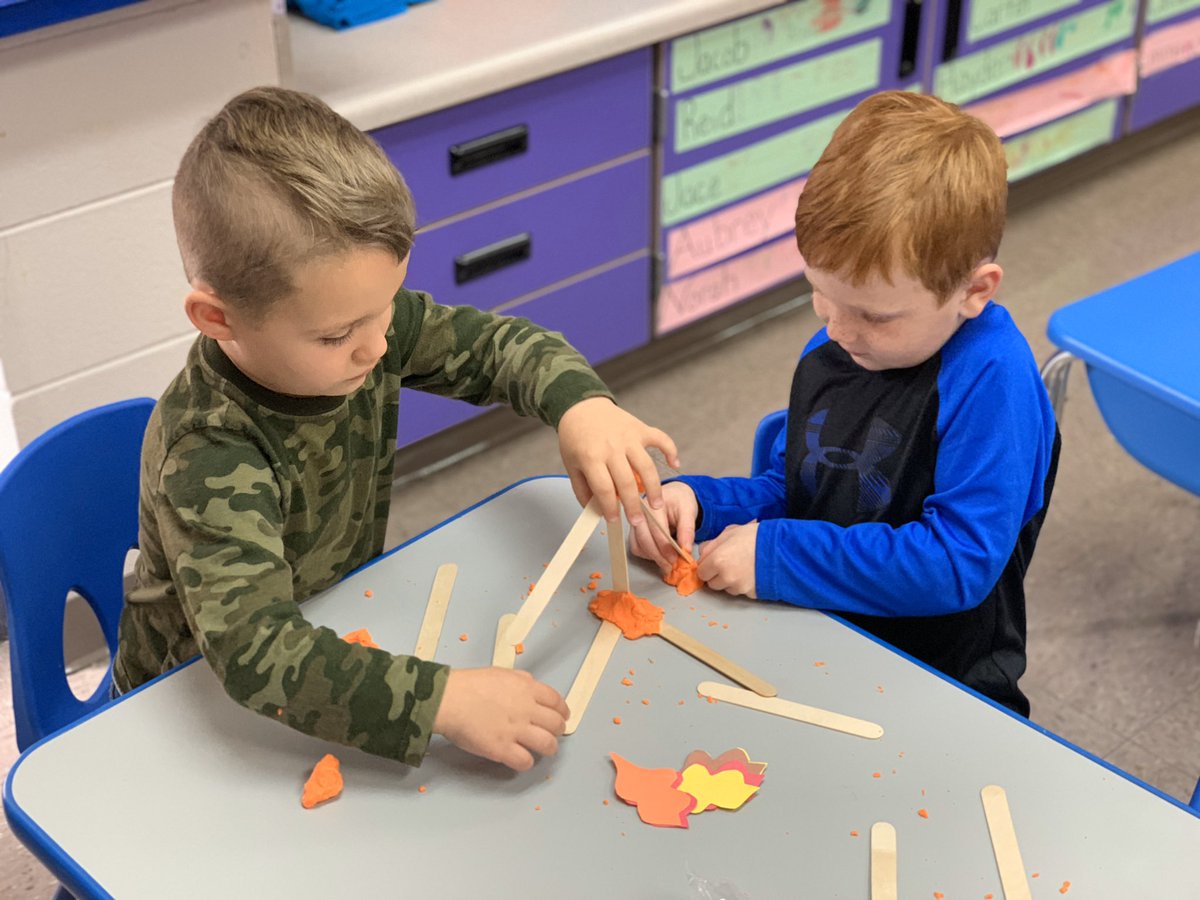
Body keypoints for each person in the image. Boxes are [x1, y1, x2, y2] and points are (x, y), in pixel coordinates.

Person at [112, 86, 679, 772]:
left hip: (326, 630)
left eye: (385, 309)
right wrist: (440, 703)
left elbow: (497, 347)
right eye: (337, 334)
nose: (377, 346)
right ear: (218, 319)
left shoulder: (363, 325)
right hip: (181, 709)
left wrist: (581, 406)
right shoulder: (208, 449)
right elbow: (255, 652)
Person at [630, 91, 1060, 715]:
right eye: (820, 295)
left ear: (973, 291)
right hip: (823, 642)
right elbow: (804, 490)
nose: (836, 329)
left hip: (943, 684)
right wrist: (704, 504)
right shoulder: (842, 346)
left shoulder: (994, 382)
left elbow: (956, 562)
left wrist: (779, 557)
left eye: (872, 314)